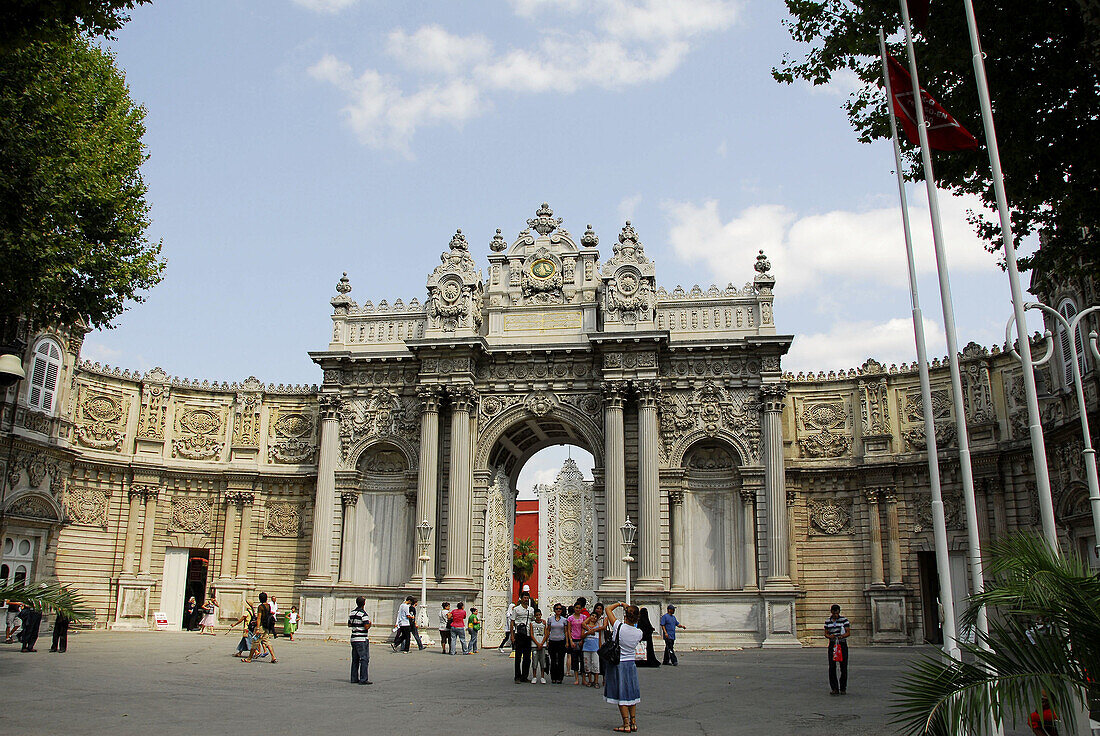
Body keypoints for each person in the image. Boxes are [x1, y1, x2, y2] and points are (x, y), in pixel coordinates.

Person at [604, 602, 644, 733]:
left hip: (618, 663)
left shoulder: (619, 627)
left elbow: (608, 608)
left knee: (621, 694)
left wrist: (621, 604)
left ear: (625, 616)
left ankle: (626, 724)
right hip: (630, 664)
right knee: (631, 694)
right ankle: (633, 722)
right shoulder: (639, 633)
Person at [244, 592, 277, 664]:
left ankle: (249, 658)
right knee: (267, 641)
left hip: (261, 627)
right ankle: (273, 657)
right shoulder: (269, 606)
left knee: (255, 642)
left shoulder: (260, 607)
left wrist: (257, 628)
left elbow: (259, 617)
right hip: (266, 627)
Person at [824, 604, 850, 695]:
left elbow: (848, 632)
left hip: (842, 644)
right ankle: (834, 688)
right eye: (834, 613)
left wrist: (841, 636)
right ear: (831, 612)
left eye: (837, 613)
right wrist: (830, 636)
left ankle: (843, 688)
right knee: (832, 666)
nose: (836, 615)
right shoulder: (828, 621)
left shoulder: (844, 620)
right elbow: (826, 633)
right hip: (832, 644)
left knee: (843, 666)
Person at [510, 592, 534, 683]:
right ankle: (517, 677)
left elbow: (533, 620)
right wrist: (512, 635)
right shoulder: (516, 609)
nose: (526, 599)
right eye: (524, 598)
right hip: (519, 634)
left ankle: (525, 676)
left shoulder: (531, 609)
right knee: (518, 657)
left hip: (528, 634)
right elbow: (512, 622)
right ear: (521, 598)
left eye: (527, 598)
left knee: (527, 657)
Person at [348, 595, 372, 685]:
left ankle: (354, 678)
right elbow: (366, 626)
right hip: (362, 639)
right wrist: (370, 624)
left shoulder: (352, 613)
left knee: (355, 659)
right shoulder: (363, 614)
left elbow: (349, 624)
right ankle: (363, 679)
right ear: (364, 603)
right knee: (364, 659)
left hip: (354, 638)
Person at [581, 603, 605, 686]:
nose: (594, 618)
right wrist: (589, 630)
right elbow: (582, 633)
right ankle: (590, 680)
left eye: (600, 608)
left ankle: (596, 681)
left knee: (596, 664)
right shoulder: (586, 625)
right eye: (597, 608)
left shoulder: (599, 624)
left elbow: (604, 628)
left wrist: (599, 647)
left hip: (595, 648)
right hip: (587, 647)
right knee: (587, 664)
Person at [566, 599, 589, 684]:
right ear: (574, 608)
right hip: (574, 639)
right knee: (575, 660)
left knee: (583, 660)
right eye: (576, 608)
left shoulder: (584, 617)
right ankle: (576, 679)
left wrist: (583, 639)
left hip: (581, 639)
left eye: (579, 608)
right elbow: (569, 630)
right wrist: (570, 641)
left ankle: (583, 679)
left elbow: (585, 628)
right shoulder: (570, 618)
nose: (578, 609)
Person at [546, 603, 568, 684]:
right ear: (554, 610)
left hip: (561, 641)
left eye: (560, 609)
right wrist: (546, 640)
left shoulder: (564, 620)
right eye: (557, 609)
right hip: (552, 641)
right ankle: (553, 677)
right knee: (553, 660)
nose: (558, 610)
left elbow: (566, 631)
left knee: (561, 660)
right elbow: (548, 630)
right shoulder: (550, 619)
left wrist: (567, 642)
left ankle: (560, 677)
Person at [530, 607, 548, 683]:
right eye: (536, 615)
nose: (538, 616)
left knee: (542, 661)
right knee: (534, 661)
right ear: (534, 616)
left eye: (539, 615)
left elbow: (546, 634)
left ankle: (542, 677)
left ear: (541, 615)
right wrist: (537, 643)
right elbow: (531, 634)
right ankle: (534, 676)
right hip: (534, 645)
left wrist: (542, 643)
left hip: (542, 645)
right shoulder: (532, 624)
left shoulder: (543, 623)